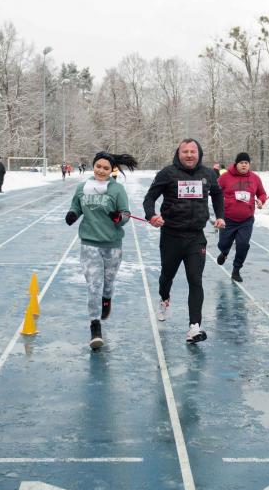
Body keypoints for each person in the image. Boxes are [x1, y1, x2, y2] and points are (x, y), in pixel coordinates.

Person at [143, 138, 225, 343]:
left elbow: (217, 195)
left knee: (195, 280)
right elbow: (149, 198)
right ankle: (164, 298)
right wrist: (151, 215)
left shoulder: (208, 174)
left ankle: (194, 327)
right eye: (185, 152)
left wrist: (220, 215)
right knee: (166, 276)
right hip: (171, 235)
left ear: (199, 153)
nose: (189, 155)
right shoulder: (167, 173)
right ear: (178, 154)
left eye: (193, 151)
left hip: (196, 237)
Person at [65, 152, 138, 349]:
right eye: (98, 166)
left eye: (106, 168)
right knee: (93, 285)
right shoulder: (83, 187)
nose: (101, 170)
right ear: (93, 165)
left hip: (112, 244)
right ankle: (95, 326)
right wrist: (72, 214)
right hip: (89, 242)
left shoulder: (117, 190)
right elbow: (76, 206)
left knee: (107, 283)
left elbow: (126, 214)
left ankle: (107, 300)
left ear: (111, 170)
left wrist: (119, 217)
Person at [216, 152, 266, 282]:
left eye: (246, 163)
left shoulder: (255, 178)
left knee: (243, 244)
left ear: (249, 165)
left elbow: (262, 193)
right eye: (241, 163)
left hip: (246, 220)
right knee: (223, 243)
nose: (244, 165)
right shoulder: (225, 177)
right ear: (236, 164)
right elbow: (215, 191)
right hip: (228, 218)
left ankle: (236, 269)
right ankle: (224, 252)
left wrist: (261, 201)